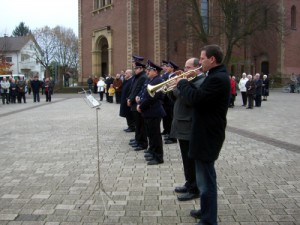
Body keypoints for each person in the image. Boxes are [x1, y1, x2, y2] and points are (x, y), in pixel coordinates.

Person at [176, 44, 230, 225]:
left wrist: (183, 82)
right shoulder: (214, 76)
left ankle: (208, 220)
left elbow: (197, 99)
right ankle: (205, 211)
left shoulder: (218, 78)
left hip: (208, 135)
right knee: (203, 178)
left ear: (212, 59)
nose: (200, 62)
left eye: (203, 58)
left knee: (207, 181)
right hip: (204, 133)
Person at [168, 57, 205, 201]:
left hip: (189, 126)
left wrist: (179, 86)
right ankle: (189, 182)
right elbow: (176, 99)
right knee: (185, 159)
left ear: (197, 68)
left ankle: (194, 188)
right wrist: (172, 88)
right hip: (181, 124)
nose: (184, 71)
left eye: (188, 68)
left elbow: (189, 99)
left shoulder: (200, 82)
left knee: (191, 160)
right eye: (185, 67)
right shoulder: (188, 82)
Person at [137, 60, 166, 165]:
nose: (147, 72)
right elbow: (145, 95)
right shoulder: (152, 80)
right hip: (149, 111)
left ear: (156, 71)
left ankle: (158, 157)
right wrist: (140, 103)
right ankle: (153, 152)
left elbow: (152, 98)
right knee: (151, 135)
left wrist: (141, 106)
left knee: (155, 136)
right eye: (148, 70)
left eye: (150, 70)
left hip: (153, 111)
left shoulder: (157, 81)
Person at [127, 61, 148, 151]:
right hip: (134, 103)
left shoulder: (142, 77)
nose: (134, 70)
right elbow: (133, 89)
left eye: (136, 68)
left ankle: (142, 142)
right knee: (137, 124)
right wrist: (129, 98)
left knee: (140, 124)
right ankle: (138, 140)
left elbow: (138, 90)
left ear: (141, 68)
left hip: (137, 103)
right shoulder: (138, 77)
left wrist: (131, 99)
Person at [163, 61, 179, 145]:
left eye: (168, 67)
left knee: (172, 119)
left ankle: (173, 137)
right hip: (168, 100)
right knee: (169, 119)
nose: (166, 68)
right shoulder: (169, 76)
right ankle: (169, 134)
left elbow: (174, 89)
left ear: (172, 68)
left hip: (172, 102)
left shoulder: (175, 76)